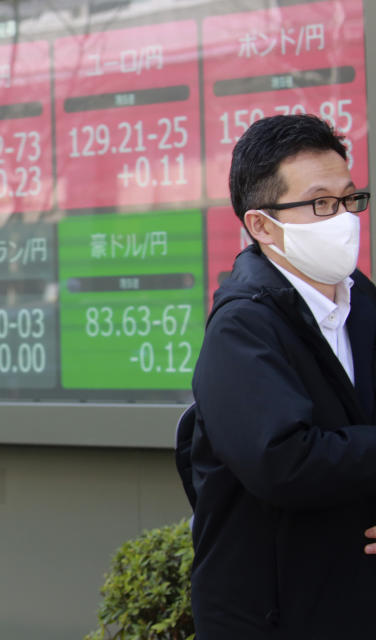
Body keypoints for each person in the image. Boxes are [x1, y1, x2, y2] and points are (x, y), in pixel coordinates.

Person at [185, 113, 376, 637]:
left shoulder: (363, 302)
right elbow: (285, 461)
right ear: (262, 225)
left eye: (349, 198)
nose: (343, 218)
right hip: (271, 614)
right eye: (320, 203)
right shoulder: (242, 326)